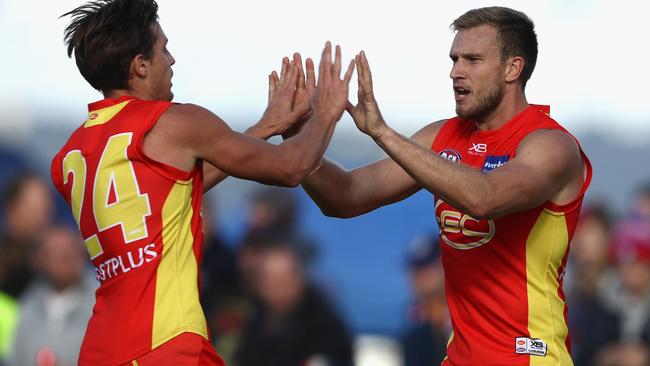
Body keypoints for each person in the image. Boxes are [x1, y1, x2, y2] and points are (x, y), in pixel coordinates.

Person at [50, 0, 354, 364]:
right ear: (140, 65)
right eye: (163, 48)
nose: (172, 60)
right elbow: (291, 168)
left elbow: (171, 192)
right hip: (166, 343)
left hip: (102, 348)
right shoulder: (175, 123)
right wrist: (325, 115)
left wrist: (264, 128)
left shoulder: (70, 154)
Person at [300, 6, 592, 365]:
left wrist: (382, 132)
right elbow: (344, 196)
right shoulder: (443, 136)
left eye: (472, 60)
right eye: (454, 59)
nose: (456, 72)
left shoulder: (551, 145)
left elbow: (485, 198)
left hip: (529, 356)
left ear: (512, 69)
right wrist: (299, 135)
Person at [236, 242, 354, 366]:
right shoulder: (255, 318)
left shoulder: (324, 323)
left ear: (300, 280)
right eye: (272, 284)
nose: (279, 291)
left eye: (285, 283)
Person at [8, 225, 96, 366]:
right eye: (54, 253)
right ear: (40, 260)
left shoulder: (99, 299)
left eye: (69, 252)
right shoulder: (29, 303)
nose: (63, 259)